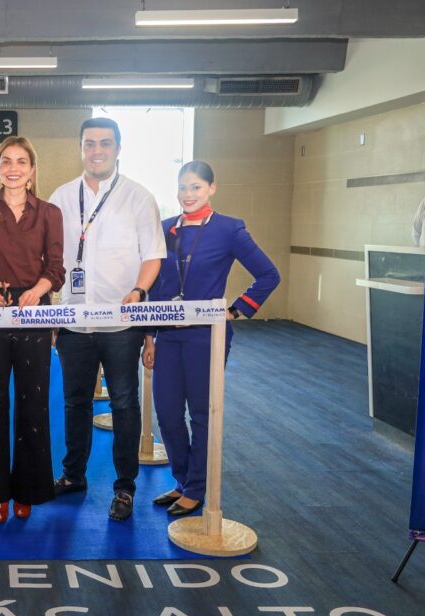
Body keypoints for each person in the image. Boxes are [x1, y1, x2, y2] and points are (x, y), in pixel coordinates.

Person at [143, 160, 280, 517]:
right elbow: (156, 286)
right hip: (168, 336)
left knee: (201, 413)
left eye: (196, 188)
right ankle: (181, 480)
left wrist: (234, 310)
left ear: (211, 189)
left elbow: (269, 274)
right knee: (168, 413)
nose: (188, 195)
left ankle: (197, 488)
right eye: (183, 188)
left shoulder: (229, 229)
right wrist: (149, 336)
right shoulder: (164, 229)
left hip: (207, 337)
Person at [49, 117, 165, 521]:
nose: (96, 150)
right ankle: (73, 475)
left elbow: (152, 255)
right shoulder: (61, 197)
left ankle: (124, 487)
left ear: (118, 148)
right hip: (73, 323)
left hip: (121, 324)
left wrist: (138, 292)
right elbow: (50, 260)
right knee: (75, 402)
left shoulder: (139, 197)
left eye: (105, 143)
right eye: (89, 143)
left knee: (124, 403)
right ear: (80, 148)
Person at [0, 135, 65, 523]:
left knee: (33, 401)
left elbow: (56, 268)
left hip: (34, 309)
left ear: (32, 170)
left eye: (22, 161)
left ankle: (29, 490)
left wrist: (38, 291)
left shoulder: (50, 212)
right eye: (6, 161)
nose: (14, 168)